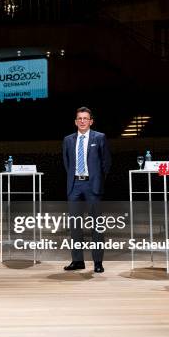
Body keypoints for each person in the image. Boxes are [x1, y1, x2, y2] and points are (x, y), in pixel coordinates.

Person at [62, 107, 111, 273]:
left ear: (91, 121)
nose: (82, 121)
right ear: (76, 122)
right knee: (75, 226)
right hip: (75, 185)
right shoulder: (68, 140)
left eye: (85, 118)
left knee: (97, 226)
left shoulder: (100, 137)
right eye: (79, 118)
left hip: (93, 186)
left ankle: (98, 262)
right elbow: (67, 163)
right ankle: (77, 261)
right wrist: (74, 181)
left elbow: (106, 163)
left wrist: (97, 181)